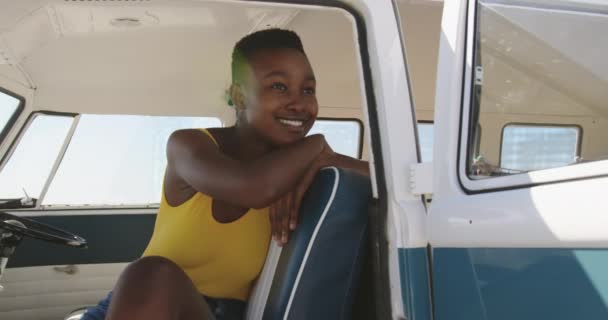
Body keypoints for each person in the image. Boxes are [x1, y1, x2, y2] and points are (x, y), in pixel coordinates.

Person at [81, 28, 368, 320]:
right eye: (279, 87)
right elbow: (254, 188)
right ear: (239, 96)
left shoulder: (305, 165)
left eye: (308, 90)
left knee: (151, 272)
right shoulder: (188, 145)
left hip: (214, 314)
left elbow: (395, 181)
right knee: (152, 273)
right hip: (139, 304)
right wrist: (316, 144)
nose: (299, 103)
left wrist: (321, 157)